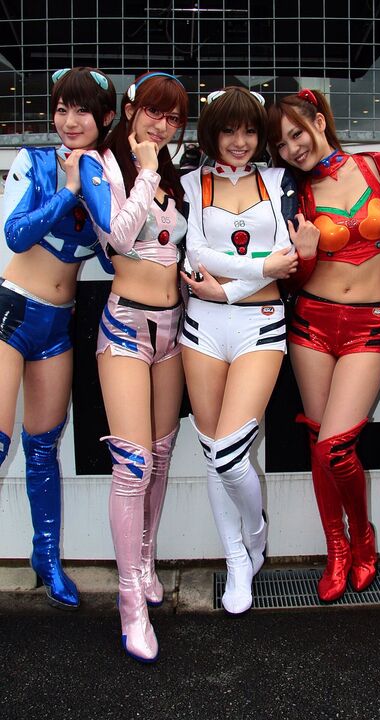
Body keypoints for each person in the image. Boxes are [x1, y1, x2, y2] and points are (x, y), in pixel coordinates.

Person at [267, 88, 380, 603]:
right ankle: (337, 549)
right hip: (312, 324)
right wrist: (303, 255)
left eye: (296, 134)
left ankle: (362, 535)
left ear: (319, 121)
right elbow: (293, 276)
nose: (292, 149)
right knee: (318, 442)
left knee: (336, 447)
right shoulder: (294, 192)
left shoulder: (378, 167)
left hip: (370, 324)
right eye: (281, 145)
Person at [79, 71, 188, 663]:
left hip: (174, 328)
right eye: (154, 112)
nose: (162, 126)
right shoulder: (101, 164)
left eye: (173, 118)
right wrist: (145, 168)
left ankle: (145, 561)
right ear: (130, 109)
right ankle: (130, 604)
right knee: (134, 464)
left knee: (163, 454)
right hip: (124, 327)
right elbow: (119, 238)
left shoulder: (173, 172)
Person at [1, 67, 116, 610]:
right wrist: (69, 188)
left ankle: (45, 557)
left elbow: (115, 258)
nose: (69, 121)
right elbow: (16, 234)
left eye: (82, 110)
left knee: (43, 448)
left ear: (105, 118)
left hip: (57, 327)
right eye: (62, 108)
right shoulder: (36, 161)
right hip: (12, 313)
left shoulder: (107, 175)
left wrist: (102, 194)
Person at [180, 86, 298, 615]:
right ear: (212, 133)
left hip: (261, 324)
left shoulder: (279, 181)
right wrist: (262, 267)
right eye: (229, 129)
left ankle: (255, 531)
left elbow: (287, 257)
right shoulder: (191, 182)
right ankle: (236, 559)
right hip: (201, 328)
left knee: (231, 454)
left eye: (250, 130)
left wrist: (229, 289)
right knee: (213, 454)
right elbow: (196, 252)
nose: (240, 140)